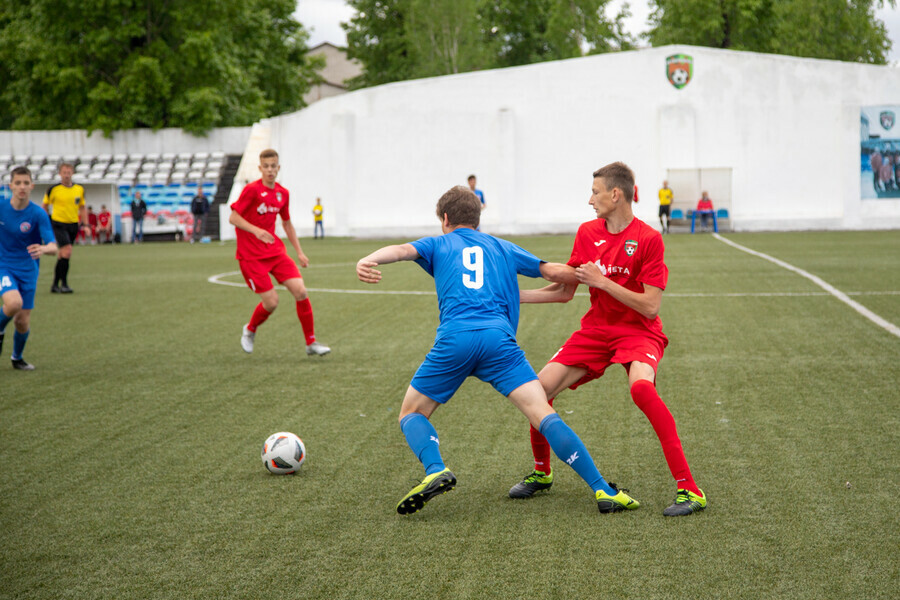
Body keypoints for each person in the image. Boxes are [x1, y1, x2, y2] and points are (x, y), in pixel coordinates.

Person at [356, 185, 638, 516]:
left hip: (455, 339)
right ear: (477, 219)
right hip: (499, 341)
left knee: (412, 413)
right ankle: (602, 490)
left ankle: (435, 469)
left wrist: (369, 259)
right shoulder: (502, 246)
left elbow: (402, 250)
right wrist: (597, 274)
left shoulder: (437, 243)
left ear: (445, 218)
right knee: (542, 412)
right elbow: (555, 272)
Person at [508, 162, 707, 517]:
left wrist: (603, 282)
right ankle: (542, 472)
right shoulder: (587, 233)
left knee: (642, 390)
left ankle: (689, 489)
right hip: (597, 329)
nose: (590, 200)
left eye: (595, 192)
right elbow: (564, 292)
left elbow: (650, 306)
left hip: (639, 330)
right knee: (537, 391)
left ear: (616, 194)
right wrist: (511, 295)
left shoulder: (648, 238)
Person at [229, 149, 330, 357]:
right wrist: (257, 231)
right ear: (260, 168)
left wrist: (300, 252)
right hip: (251, 256)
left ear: (278, 168)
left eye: (273, 166)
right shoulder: (251, 191)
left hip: (275, 252)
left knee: (301, 291)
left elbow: (286, 223)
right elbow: (234, 218)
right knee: (271, 302)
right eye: (265, 166)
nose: (269, 170)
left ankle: (311, 343)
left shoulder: (282, 193)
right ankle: (250, 330)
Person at [0, 167, 58, 370]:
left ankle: (17, 358)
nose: (22, 187)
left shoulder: (37, 213)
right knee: (13, 303)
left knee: (22, 322)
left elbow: (53, 247)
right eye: (18, 183)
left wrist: (43, 248)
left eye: (26, 183)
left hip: (29, 270)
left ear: (32, 186)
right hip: (4, 266)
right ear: (11, 186)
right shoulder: (1, 206)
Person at [42, 162, 84, 293]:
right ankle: (64, 284)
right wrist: (46, 222)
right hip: (58, 223)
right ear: (60, 174)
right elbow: (45, 205)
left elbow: (82, 207)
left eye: (69, 172)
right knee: (67, 251)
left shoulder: (79, 189)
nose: (66, 175)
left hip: (73, 224)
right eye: (64, 173)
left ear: (72, 173)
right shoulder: (53, 189)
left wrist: (86, 224)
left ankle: (54, 285)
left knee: (63, 254)